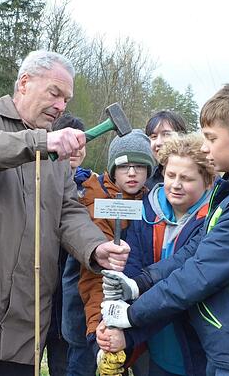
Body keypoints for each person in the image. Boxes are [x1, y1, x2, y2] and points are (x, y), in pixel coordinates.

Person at [0, 50, 131, 376]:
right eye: (54, 94)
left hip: (26, 308)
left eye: (66, 100)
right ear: (25, 83)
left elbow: (68, 210)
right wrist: (41, 141)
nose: (61, 106)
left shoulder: (56, 152)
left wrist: (94, 246)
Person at [102, 83, 229, 376]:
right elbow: (195, 250)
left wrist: (132, 313)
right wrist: (139, 283)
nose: (204, 146)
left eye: (211, 137)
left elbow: (198, 274)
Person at [100, 133, 213, 376]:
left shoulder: (213, 221)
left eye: (187, 178)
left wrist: (128, 330)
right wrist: (113, 321)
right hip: (156, 345)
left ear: (207, 181)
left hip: (199, 351)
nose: (175, 184)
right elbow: (132, 268)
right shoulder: (146, 211)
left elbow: (181, 287)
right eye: (171, 175)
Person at [78, 129, 155, 358]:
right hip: (95, 304)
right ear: (112, 169)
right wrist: (98, 326)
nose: (132, 173)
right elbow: (95, 276)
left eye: (139, 167)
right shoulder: (95, 198)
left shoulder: (152, 202)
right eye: (123, 167)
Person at [53, 113, 94, 376]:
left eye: (81, 143)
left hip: (73, 287)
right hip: (43, 276)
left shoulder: (95, 185)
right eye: (70, 142)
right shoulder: (39, 179)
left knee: (63, 357)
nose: (76, 149)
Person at [144, 111, 188, 189]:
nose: (158, 143)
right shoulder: (145, 180)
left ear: (182, 136)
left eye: (166, 134)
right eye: (153, 136)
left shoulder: (201, 177)